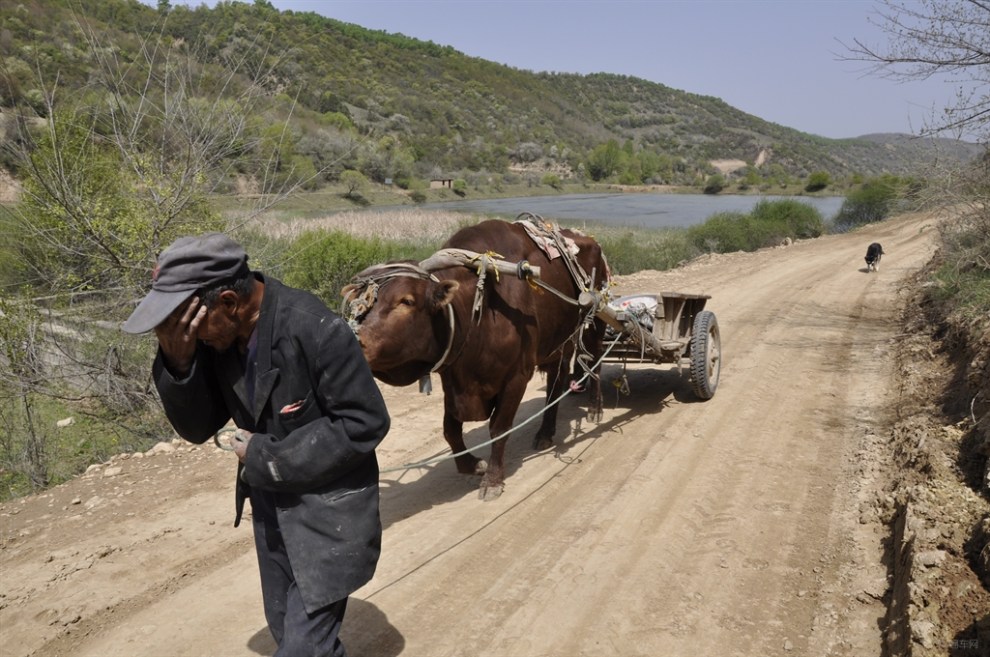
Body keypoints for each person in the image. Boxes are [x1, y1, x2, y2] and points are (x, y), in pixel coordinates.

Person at [122, 232, 390, 657]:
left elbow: (364, 423)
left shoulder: (316, 329)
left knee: (303, 649)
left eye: (187, 324)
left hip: (329, 514)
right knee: (289, 632)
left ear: (228, 301)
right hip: (271, 507)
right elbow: (195, 427)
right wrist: (179, 362)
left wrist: (265, 454)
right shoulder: (219, 338)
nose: (187, 335)